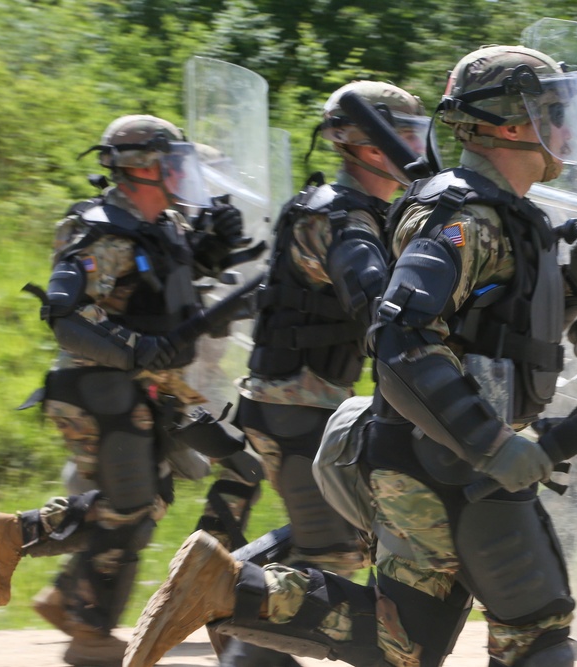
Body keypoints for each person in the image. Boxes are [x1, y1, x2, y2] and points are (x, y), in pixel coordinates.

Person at [122, 44, 577, 667]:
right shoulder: (469, 217)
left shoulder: (507, 217)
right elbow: (402, 339)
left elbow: (492, 338)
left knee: (406, 644)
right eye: (553, 112)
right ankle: (231, 586)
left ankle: (232, 587)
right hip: (451, 462)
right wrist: (493, 444)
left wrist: (572, 293)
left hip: (437, 458)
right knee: (536, 634)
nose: (567, 131)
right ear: (509, 123)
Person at [0, 114, 248, 667]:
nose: (181, 174)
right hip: (96, 384)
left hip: (149, 387)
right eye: (171, 163)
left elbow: (164, 287)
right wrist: (134, 350)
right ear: (138, 168)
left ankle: (28, 549)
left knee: (146, 502)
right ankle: (90, 632)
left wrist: (211, 250)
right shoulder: (102, 231)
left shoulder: (164, 226)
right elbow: (67, 318)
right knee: (128, 504)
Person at [196, 79, 430, 667]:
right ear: (367, 145)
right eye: (404, 136)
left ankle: (224, 577)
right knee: (336, 545)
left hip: (305, 403)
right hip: (296, 407)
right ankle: (228, 590)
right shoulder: (342, 217)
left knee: (343, 538)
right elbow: (373, 298)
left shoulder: (356, 209)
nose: (415, 150)